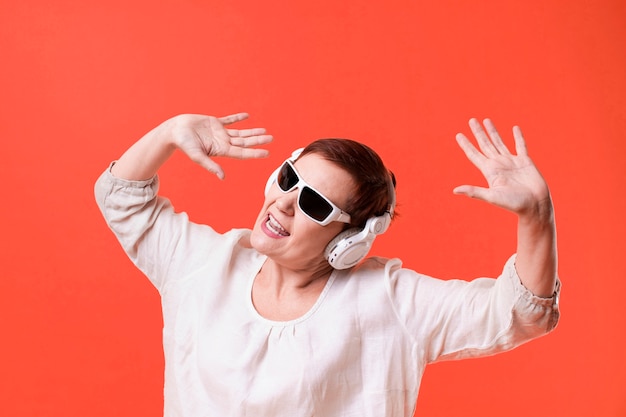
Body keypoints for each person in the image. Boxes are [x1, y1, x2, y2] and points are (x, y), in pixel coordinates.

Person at [94, 113, 560, 416]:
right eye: (288, 179)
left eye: (315, 204)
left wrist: (537, 216)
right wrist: (168, 133)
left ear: (350, 241)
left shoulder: (389, 301)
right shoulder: (204, 263)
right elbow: (120, 198)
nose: (284, 203)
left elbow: (521, 314)